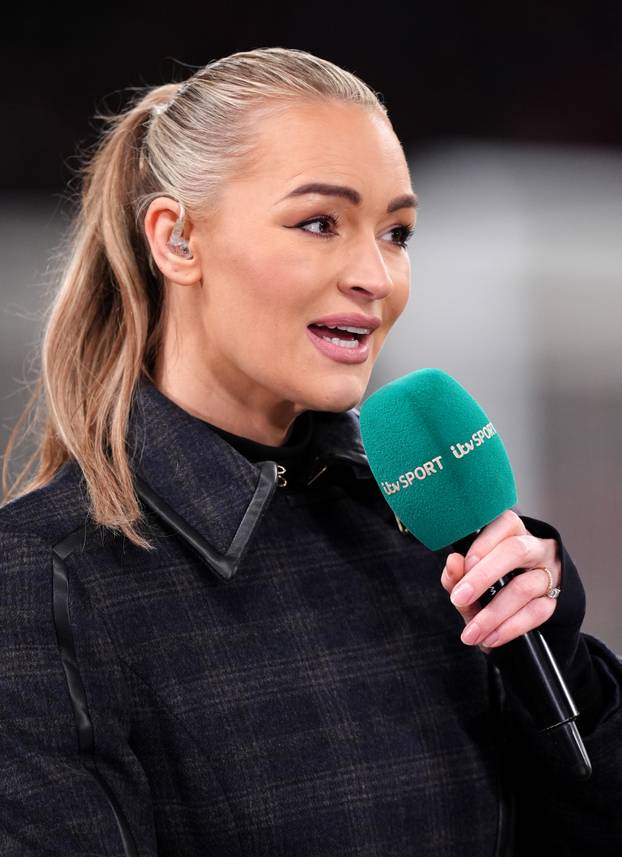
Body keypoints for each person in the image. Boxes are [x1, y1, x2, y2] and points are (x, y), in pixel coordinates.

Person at [0, 46, 620, 857]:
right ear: (177, 239)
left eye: (397, 232)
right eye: (319, 223)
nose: (376, 275)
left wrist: (558, 659)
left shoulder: (431, 544)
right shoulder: (44, 580)